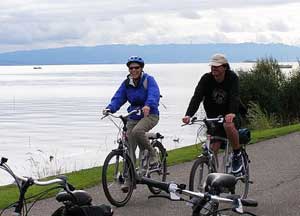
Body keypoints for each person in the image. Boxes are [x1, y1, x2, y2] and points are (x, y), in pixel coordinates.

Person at [182, 53, 243, 174]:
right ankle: (215, 178)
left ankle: (237, 154)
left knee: (228, 125)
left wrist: (231, 113)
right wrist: (188, 114)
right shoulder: (206, 79)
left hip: (230, 116)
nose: (214, 68)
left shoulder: (232, 78)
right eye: (212, 66)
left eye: (217, 66)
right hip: (213, 119)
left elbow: (234, 97)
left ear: (224, 67)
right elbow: (197, 97)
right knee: (212, 149)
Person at [103, 55, 160, 171]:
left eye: (137, 68)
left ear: (141, 68)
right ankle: (130, 178)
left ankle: (153, 153)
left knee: (137, 131)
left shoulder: (148, 80)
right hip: (134, 115)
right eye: (131, 68)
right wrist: (110, 108)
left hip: (150, 115)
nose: (134, 70)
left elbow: (154, 94)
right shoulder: (127, 83)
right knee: (129, 146)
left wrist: (148, 105)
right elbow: (119, 97)